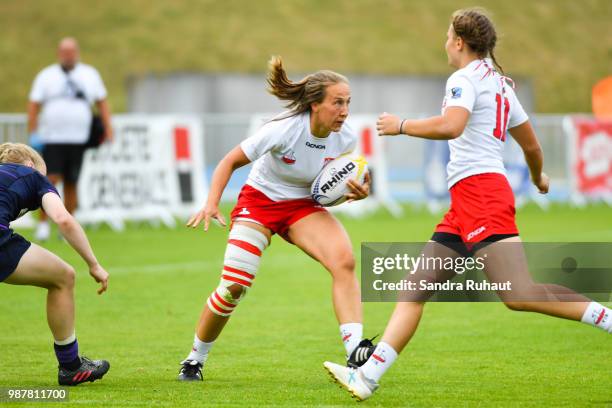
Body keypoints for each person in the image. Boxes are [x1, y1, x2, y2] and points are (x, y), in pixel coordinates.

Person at [324, 8, 611, 401]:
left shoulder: (464, 78)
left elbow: (451, 125)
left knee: (520, 294)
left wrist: (402, 125)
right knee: (414, 289)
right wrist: (540, 176)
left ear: (459, 41)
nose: (444, 43)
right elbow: (532, 146)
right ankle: (367, 377)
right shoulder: (500, 83)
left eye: (447, 36)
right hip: (468, 200)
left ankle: (609, 319)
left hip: (480, 195)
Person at [177, 56, 374, 381]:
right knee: (233, 287)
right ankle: (194, 359)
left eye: (348, 102)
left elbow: (331, 185)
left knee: (344, 260)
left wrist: (358, 191)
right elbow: (229, 161)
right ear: (314, 103)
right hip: (259, 203)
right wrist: (211, 203)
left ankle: (355, 354)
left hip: (302, 206)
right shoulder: (284, 128)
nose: (345, 110)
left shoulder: (346, 137)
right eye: (338, 102)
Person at [0, 143, 110, 385]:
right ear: (30, 165)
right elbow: (63, 219)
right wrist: (93, 264)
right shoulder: (33, 176)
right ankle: (71, 366)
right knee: (63, 276)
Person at [28, 37, 113, 241]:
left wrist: (109, 128)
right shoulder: (46, 76)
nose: (68, 55)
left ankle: (67, 227)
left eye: (71, 51)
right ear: (59, 54)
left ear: (77, 52)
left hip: (78, 139)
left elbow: (101, 102)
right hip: (53, 138)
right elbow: (33, 104)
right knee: (50, 181)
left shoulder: (90, 74)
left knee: (72, 182)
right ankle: (43, 224)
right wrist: (33, 131)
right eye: (64, 52)